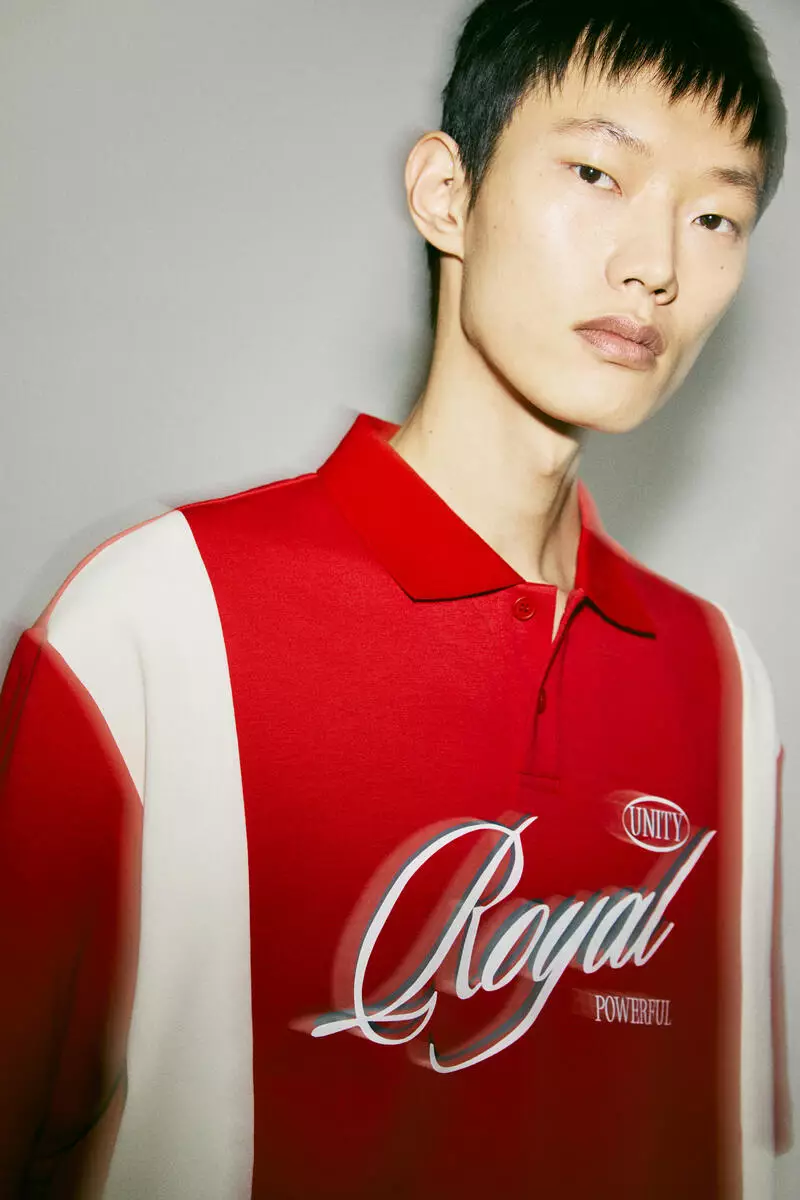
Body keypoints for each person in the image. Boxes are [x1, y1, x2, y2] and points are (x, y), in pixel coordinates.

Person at [0, 0, 791, 1196]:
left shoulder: (723, 678)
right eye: (595, 173)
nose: (656, 265)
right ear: (443, 194)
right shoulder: (151, 622)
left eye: (714, 215)